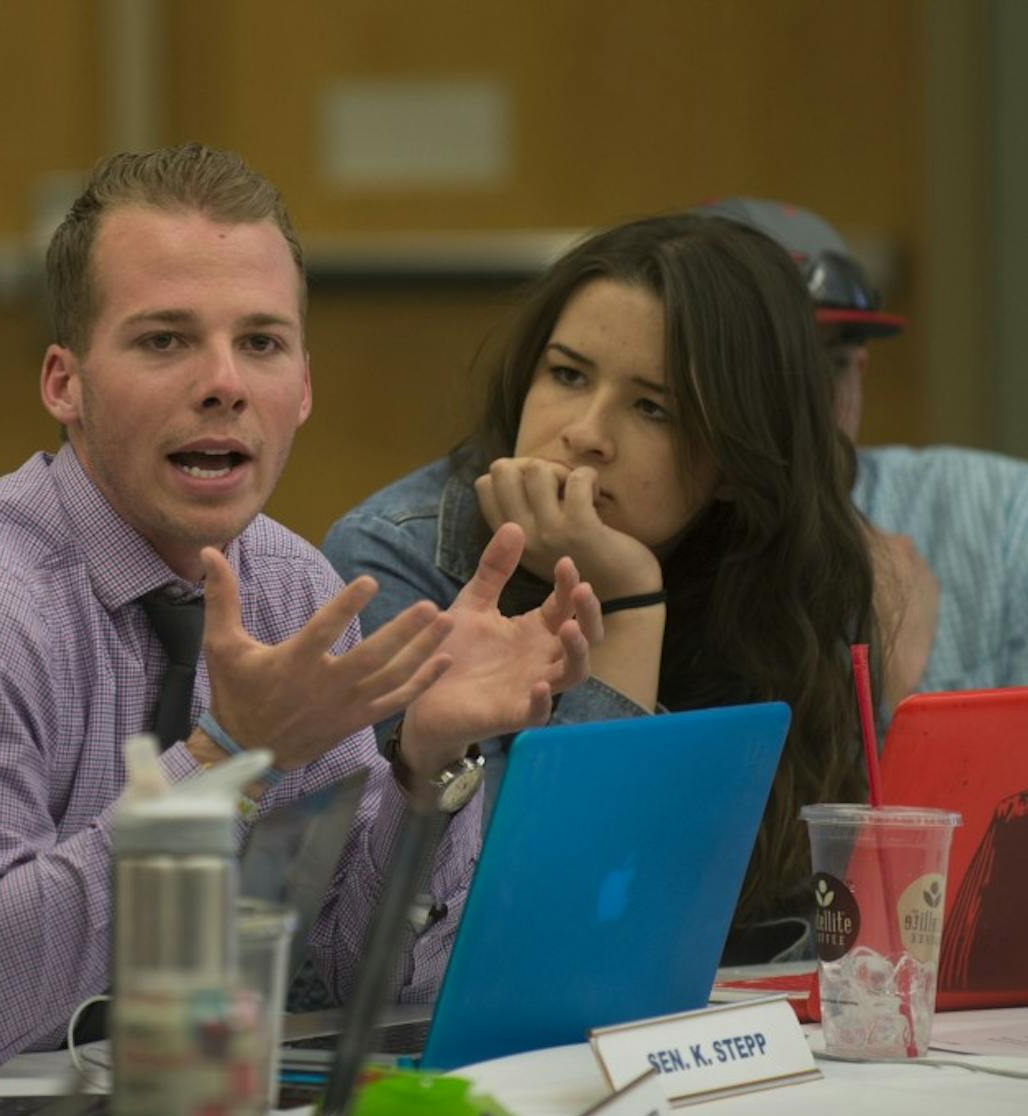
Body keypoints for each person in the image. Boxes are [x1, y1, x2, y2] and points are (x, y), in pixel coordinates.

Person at [0, 143, 602, 1077]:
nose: (225, 383)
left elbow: (357, 975)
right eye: (164, 339)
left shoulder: (294, 589)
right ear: (62, 382)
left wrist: (426, 765)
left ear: (305, 387)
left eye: (261, 343)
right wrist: (221, 762)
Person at [322, 214, 878, 954]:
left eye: (653, 406)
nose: (585, 431)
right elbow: (533, 928)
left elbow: (804, 914)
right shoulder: (398, 556)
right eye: (568, 374)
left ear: (738, 460)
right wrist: (626, 600)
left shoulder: (784, 571)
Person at [699, 197, 1028, 703]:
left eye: (830, 366)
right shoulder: (630, 547)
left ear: (861, 366)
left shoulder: (998, 511)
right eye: (765, 370)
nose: (806, 409)